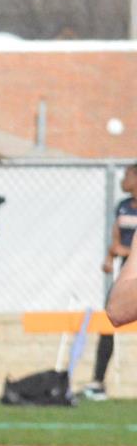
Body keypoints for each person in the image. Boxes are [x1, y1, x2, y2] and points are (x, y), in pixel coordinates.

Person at [82, 162, 137, 398]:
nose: (123, 181)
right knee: (109, 321)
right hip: (127, 276)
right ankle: (98, 379)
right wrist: (109, 256)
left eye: (127, 176)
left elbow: (123, 246)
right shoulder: (123, 207)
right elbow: (115, 236)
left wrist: (125, 251)